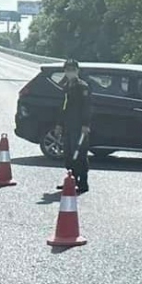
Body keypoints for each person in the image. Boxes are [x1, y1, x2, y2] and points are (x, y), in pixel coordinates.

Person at [58, 59, 93, 194]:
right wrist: (59, 124)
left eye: (72, 70)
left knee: (80, 154)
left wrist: (85, 124)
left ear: (77, 71)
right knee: (68, 154)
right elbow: (62, 107)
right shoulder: (66, 86)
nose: (70, 72)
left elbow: (87, 108)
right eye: (67, 70)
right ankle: (71, 179)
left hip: (79, 126)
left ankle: (82, 182)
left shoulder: (82, 86)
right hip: (67, 125)